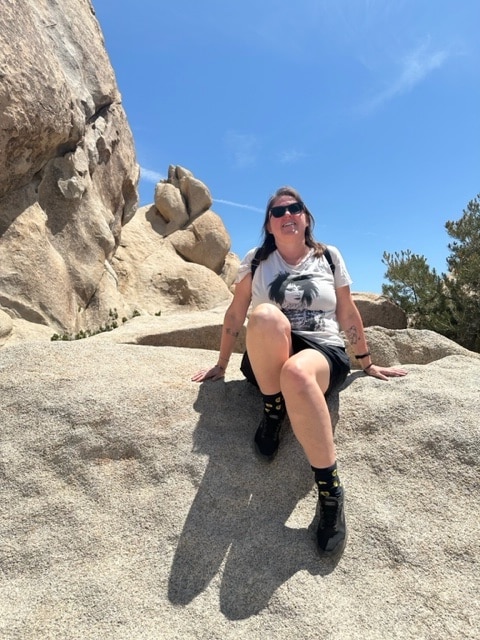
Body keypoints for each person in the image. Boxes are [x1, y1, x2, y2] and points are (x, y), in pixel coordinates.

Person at [192, 186, 408, 558]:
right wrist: (221, 364)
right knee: (263, 315)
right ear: (270, 225)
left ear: (306, 218)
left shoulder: (328, 257)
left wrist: (366, 362)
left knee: (296, 372)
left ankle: (330, 493)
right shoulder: (257, 261)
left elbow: (347, 312)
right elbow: (235, 313)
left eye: (295, 208)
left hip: (322, 351)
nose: (288, 214)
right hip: (268, 353)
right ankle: (273, 411)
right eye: (279, 211)